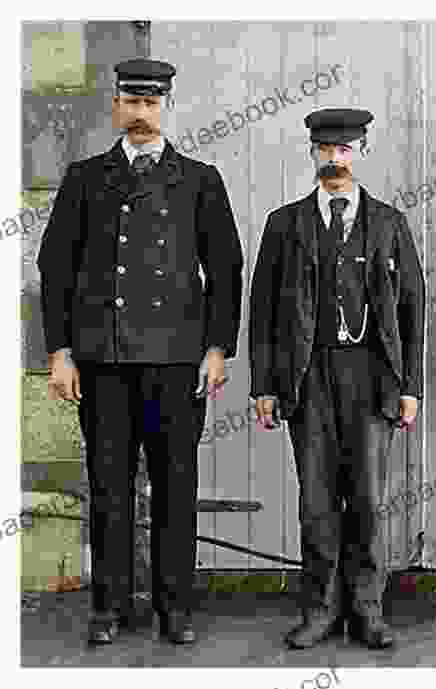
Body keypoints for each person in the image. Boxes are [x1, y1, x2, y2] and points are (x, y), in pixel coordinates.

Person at [37, 58, 243, 645]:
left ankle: (175, 607)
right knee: (108, 489)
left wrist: (217, 348)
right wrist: (60, 352)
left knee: (177, 488)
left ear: (167, 107)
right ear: (116, 107)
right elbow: (55, 268)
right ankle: (109, 607)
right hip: (103, 362)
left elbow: (226, 269)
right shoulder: (85, 177)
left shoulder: (199, 178)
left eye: (151, 104)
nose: (141, 113)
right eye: (132, 102)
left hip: (177, 361)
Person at [249, 108, 425, 650]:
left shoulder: (390, 223)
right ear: (313, 154)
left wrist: (410, 385)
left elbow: (414, 309)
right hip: (308, 377)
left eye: (345, 150)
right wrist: (264, 385)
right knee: (317, 501)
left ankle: (368, 610)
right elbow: (260, 312)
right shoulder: (286, 223)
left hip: (372, 377)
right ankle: (321, 608)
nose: (335, 159)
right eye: (326, 150)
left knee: (368, 500)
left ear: (361, 153)